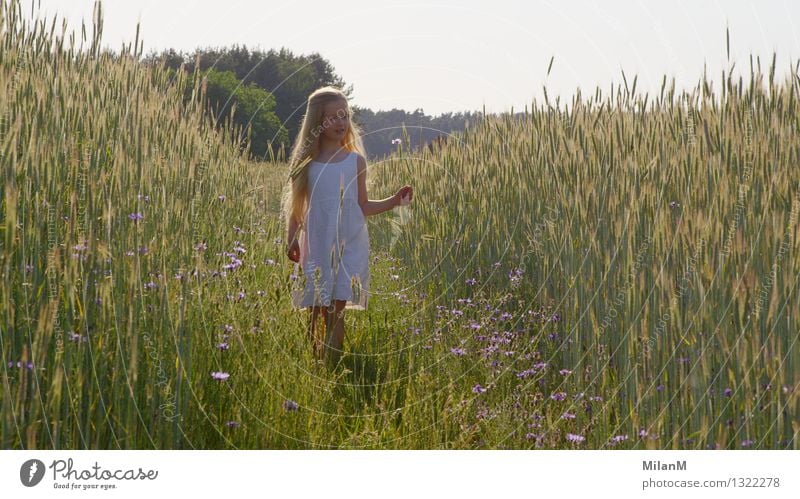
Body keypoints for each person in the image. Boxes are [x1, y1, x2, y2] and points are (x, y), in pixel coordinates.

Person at [281, 86, 413, 367]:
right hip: (317, 244)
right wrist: (291, 241)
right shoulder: (305, 164)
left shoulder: (356, 161)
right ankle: (314, 363)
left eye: (344, 116)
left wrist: (393, 201)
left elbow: (362, 206)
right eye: (332, 117)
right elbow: (296, 210)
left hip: (349, 243)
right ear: (317, 122)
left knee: (337, 307)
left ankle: (333, 363)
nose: (340, 123)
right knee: (317, 308)